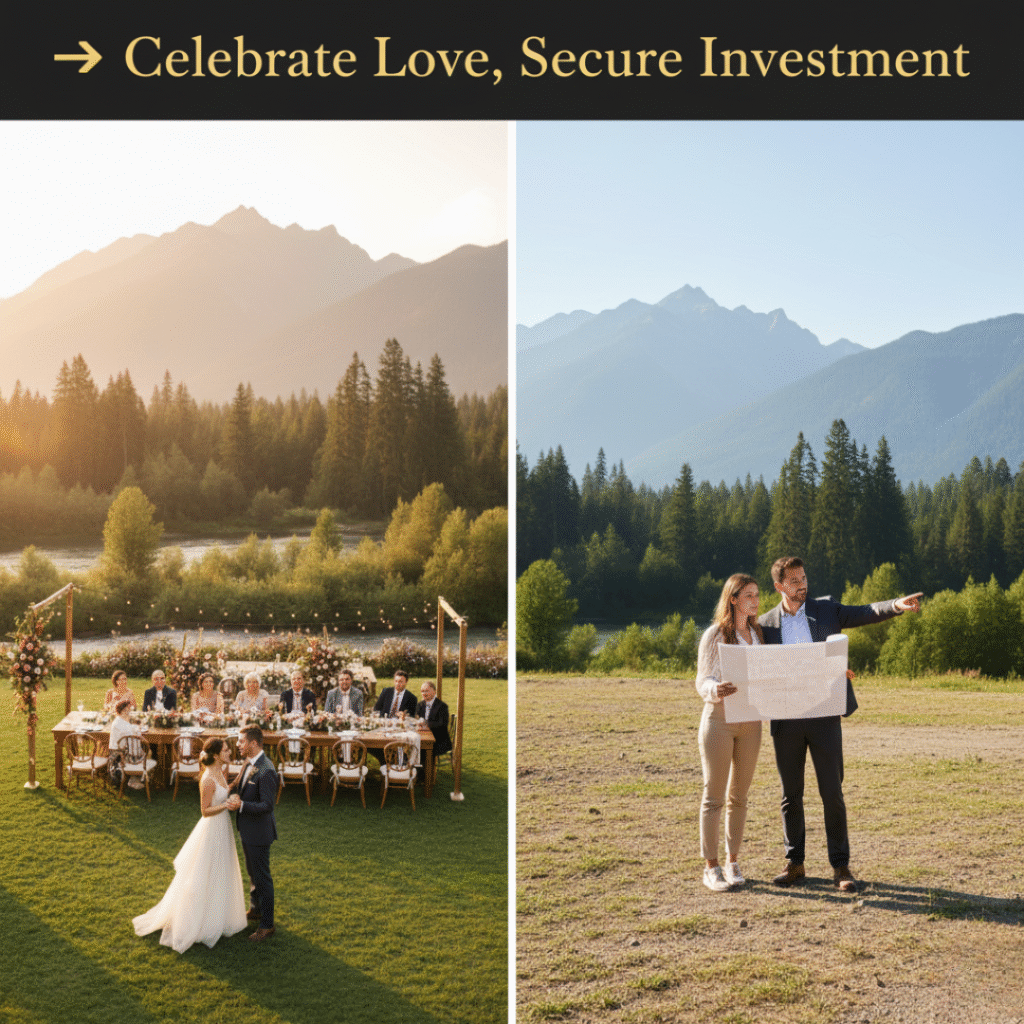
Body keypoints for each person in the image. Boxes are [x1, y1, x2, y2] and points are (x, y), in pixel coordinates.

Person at [758, 556, 922, 892]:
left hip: (824, 715)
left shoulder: (827, 609)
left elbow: (864, 611)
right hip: (786, 719)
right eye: (794, 581)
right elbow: (759, 669)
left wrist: (896, 605)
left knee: (832, 792)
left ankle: (841, 867)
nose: (802, 585)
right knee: (791, 795)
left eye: (804, 577)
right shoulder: (765, 625)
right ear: (779, 587)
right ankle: (795, 864)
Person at [132, 738, 247, 952]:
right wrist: (226, 804)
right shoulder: (207, 779)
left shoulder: (219, 773)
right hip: (212, 828)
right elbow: (205, 811)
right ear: (215, 754)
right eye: (225, 750)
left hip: (222, 828)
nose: (229, 752)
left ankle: (218, 915)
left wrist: (238, 780)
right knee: (205, 872)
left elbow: (226, 787)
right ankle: (198, 920)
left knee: (220, 871)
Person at [695, 573, 764, 891]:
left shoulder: (758, 635)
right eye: (749, 595)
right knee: (714, 796)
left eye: (757, 595)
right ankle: (712, 867)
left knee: (740, 796)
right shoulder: (714, 635)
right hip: (719, 720)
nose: (755, 600)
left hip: (752, 722)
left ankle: (733, 861)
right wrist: (714, 688)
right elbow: (701, 680)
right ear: (733, 599)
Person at [226, 725, 279, 941]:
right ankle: (255, 909)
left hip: (259, 833)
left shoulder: (266, 771)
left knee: (262, 877)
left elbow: (267, 805)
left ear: (253, 744)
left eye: (241, 741)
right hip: (248, 830)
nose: (238, 745)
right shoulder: (250, 763)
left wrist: (241, 806)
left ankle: (267, 925)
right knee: (253, 874)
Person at [108, 697, 144, 789]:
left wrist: (135, 728)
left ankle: (135, 777)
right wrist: (138, 728)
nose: (130, 711)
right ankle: (134, 779)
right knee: (145, 751)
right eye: (129, 709)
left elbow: (130, 730)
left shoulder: (120, 720)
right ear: (124, 710)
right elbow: (134, 735)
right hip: (119, 754)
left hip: (120, 749)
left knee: (140, 749)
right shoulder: (120, 723)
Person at [417, 681, 452, 759]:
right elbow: (415, 719)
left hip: (439, 740)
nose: (424, 693)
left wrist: (425, 724)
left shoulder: (442, 706)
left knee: (420, 749)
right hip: (423, 737)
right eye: (422, 691)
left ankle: (425, 770)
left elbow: (442, 724)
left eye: (426, 691)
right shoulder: (420, 705)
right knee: (409, 745)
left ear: (434, 691)